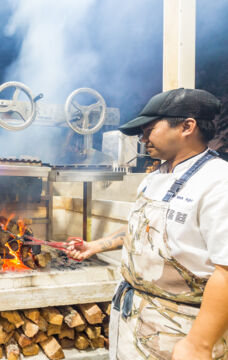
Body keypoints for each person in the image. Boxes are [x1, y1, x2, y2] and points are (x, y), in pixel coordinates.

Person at [66, 88, 228, 360]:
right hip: (134, 319)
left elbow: (226, 270)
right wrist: (97, 245)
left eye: (149, 129)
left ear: (187, 126)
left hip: (181, 331)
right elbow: (141, 226)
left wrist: (198, 344)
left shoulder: (218, 182)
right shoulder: (154, 177)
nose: (142, 139)